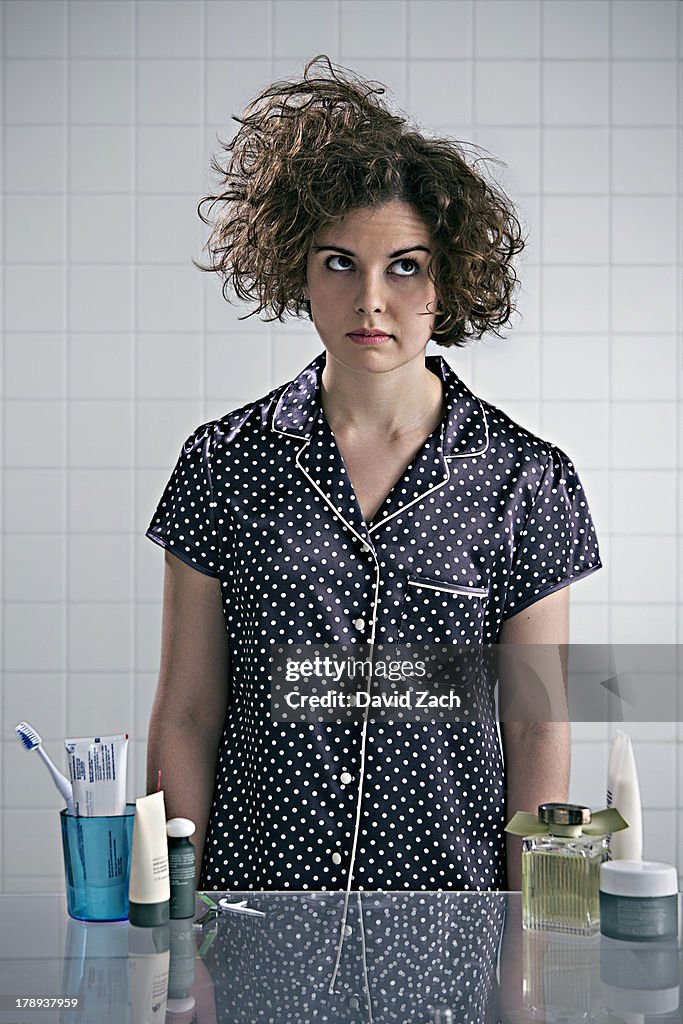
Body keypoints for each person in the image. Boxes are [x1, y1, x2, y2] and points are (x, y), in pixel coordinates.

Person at [145, 55, 602, 893]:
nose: (369, 302)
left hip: (449, 921)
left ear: (448, 275)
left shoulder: (526, 480)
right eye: (339, 263)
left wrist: (536, 947)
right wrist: (176, 918)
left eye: (404, 265)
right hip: (256, 913)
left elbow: (537, 727)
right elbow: (186, 712)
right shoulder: (219, 464)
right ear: (296, 268)